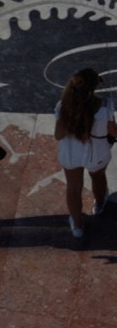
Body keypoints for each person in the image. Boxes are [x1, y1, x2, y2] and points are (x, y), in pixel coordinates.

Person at [55, 67, 116, 238]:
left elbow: (58, 135)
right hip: (97, 152)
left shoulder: (62, 106)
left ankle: (78, 226)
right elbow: (113, 132)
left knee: (73, 188)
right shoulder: (105, 105)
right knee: (98, 177)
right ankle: (99, 205)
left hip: (71, 153)